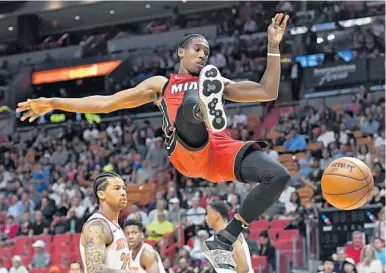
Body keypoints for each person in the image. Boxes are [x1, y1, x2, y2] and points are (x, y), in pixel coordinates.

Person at [17, 13, 290, 271]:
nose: (202, 54)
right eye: (197, 49)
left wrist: (273, 47)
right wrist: (53, 102)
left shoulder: (215, 81)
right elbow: (106, 103)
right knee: (192, 101)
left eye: (206, 52)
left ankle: (225, 237)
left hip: (220, 150)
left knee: (278, 175)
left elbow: (268, 91)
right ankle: (200, 109)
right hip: (186, 149)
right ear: (181, 52)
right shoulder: (161, 84)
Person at [78, 172, 130, 273]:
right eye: (116, 188)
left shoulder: (115, 225)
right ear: (101, 194)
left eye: (124, 188)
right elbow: (95, 270)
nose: (123, 192)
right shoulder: (96, 226)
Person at [205, 200, 252, 273]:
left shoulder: (232, 233)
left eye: (207, 214)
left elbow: (243, 269)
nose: (205, 218)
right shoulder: (217, 239)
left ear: (216, 215)